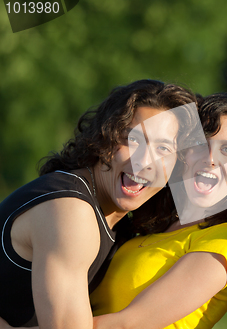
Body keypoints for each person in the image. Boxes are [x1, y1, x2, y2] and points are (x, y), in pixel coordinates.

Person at [0, 79, 199, 328]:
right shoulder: (72, 210)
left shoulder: (113, 218)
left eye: (163, 148)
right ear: (105, 138)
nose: (144, 160)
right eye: (132, 140)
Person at [88, 92, 227, 329]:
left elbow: (128, 324)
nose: (210, 159)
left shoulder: (226, 239)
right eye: (200, 144)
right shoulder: (158, 223)